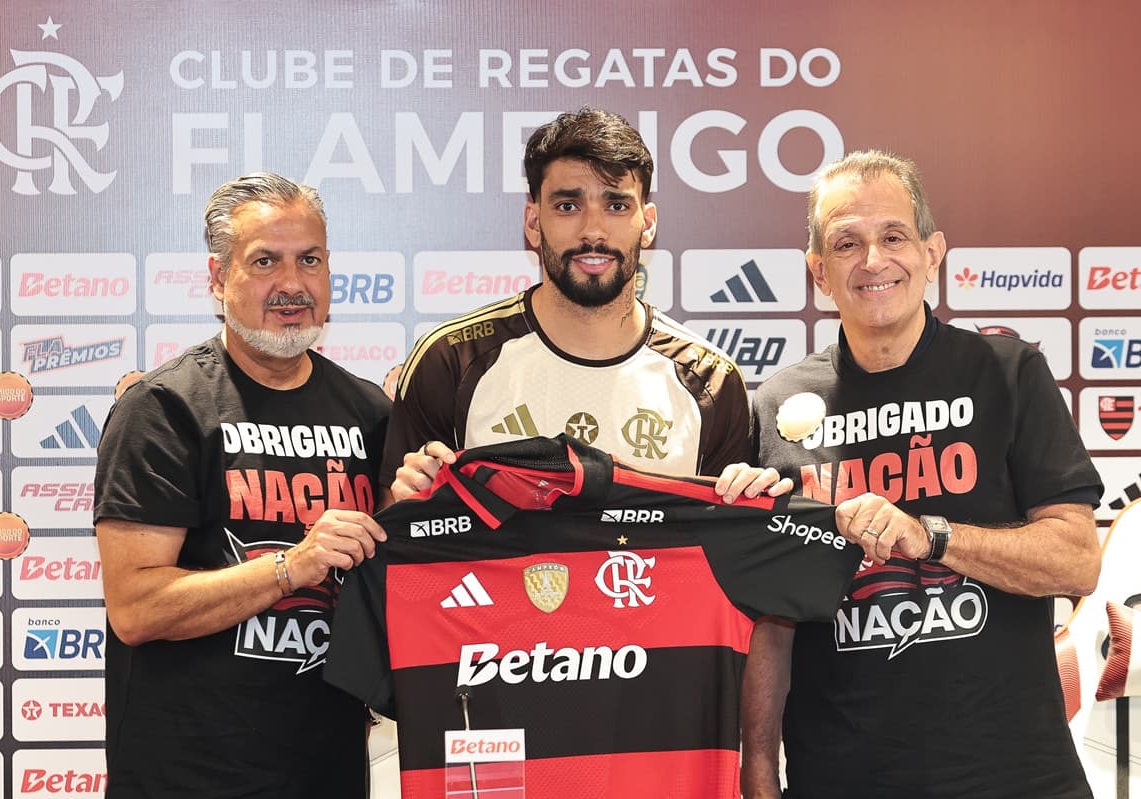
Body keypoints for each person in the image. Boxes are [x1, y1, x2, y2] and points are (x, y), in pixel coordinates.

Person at [741, 150, 1103, 799]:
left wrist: (932, 535)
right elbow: (772, 621)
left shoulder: (1008, 373)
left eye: (893, 236)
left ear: (933, 253)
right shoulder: (778, 404)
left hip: (1016, 777)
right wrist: (759, 772)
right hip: (842, 779)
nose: (873, 259)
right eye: (846, 242)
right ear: (819, 271)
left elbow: (1076, 560)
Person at [93, 173, 389, 798]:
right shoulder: (165, 408)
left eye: (310, 259)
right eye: (264, 262)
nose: (292, 284)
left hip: (327, 771)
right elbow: (136, 608)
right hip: (189, 777)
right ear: (218, 278)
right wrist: (294, 566)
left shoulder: (370, 413)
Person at [383, 107, 786, 502]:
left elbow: (721, 548)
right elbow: (393, 531)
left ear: (647, 224)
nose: (593, 230)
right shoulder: (450, 360)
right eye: (567, 206)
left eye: (616, 206)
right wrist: (408, 502)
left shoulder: (710, 380)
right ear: (533, 223)